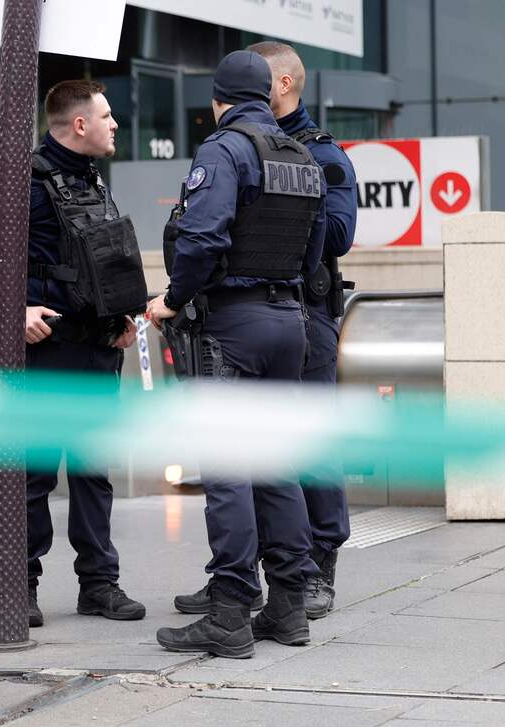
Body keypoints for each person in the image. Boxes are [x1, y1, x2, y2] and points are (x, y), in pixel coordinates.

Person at [171, 44, 358, 623]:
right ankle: (264, 585)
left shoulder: (316, 151)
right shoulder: (272, 150)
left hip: (293, 314)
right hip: (284, 313)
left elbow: (335, 236)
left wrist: (178, 296)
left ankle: (311, 570)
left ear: (283, 83)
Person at [148, 51, 326, 658]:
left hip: (233, 325)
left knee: (228, 468)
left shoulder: (224, 149)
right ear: (269, 94)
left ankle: (229, 610)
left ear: (217, 100)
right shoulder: (301, 155)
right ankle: (289, 607)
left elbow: (201, 237)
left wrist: (173, 299)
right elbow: (315, 249)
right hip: (289, 320)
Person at [0, 80, 147, 629]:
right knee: (35, 475)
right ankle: (20, 585)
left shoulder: (90, 177)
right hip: (46, 352)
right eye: (107, 116)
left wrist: (119, 318)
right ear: (79, 124)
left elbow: (99, 258)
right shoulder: (22, 178)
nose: (115, 124)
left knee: (94, 472)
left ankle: (99, 585)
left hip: (96, 349)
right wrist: (14, 309)